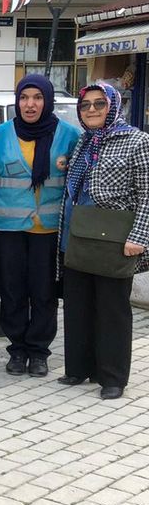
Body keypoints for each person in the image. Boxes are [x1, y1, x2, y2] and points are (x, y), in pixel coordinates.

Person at [0, 74, 81, 378]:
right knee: (12, 290)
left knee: (44, 292)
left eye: (37, 97)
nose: (30, 104)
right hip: (7, 228)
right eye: (24, 98)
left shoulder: (69, 135)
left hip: (48, 229)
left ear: (47, 101)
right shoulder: (1, 135)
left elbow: (74, 183)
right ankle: (17, 349)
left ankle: (39, 351)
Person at [58, 82, 149, 400]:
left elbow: (147, 194)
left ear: (114, 106)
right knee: (78, 305)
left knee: (112, 309)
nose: (92, 109)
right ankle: (78, 367)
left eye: (100, 103)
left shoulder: (136, 141)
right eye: (85, 105)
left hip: (115, 238)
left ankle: (112, 377)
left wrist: (139, 236)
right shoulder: (84, 141)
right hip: (79, 233)